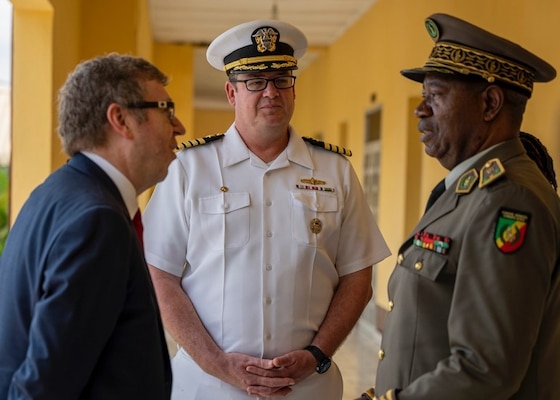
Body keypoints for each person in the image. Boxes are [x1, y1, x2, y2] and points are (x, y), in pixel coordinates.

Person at [143, 19, 391, 400]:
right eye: (255, 82)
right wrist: (216, 363)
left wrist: (316, 354)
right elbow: (160, 275)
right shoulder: (189, 169)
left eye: (281, 79)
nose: (271, 92)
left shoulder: (334, 170)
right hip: (208, 388)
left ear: (294, 88)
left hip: (308, 388)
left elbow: (358, 276)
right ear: (231, 92)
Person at [356, 13, 560, 400]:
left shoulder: (508, 200)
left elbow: (486, 367)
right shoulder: (468, 191)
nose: (420, 110)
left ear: (489, 103)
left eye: (435, 95)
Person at [0, 53, 186, 399]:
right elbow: (43, 388)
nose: (179, 127)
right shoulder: (98, 221)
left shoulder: (55, 193)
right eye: (166, 109)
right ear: (121, 119)